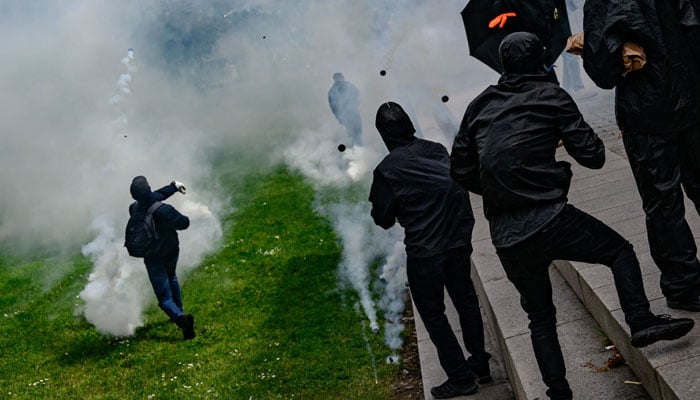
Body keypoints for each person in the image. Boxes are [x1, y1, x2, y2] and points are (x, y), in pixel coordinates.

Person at [450, 32, 694, 400]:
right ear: (539, 62)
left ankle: (558, 392)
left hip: (505, 232)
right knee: (619, 252)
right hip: (549, 217)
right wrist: (556, 141)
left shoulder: (479, 104)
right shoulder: (552, 96)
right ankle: (640, 320)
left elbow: (461, 169)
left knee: (540, 317)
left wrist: (507, 187)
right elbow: (594, 155)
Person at [581, 0, 700, 310]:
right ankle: (683, 284)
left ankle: (684, 284)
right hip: (690, 97)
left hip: (645, 110)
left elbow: (603, 71)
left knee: (663, 203)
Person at [369, 102, 491, 399]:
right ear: (410, 125)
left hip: (426, 251)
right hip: (458, 239)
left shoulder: (386, 170)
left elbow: (382, 219)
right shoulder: (435, 149)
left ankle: (461, 377)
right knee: (466, 300)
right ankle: (480, 364)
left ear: (383, 135)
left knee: (434, 314)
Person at [129, 176, 194, 340]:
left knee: (163, 297)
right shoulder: (165, 211)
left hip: (151, 256)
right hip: (171, 252)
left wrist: (173, 187)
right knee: (172, 276)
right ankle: (180, 315)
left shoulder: (133, 208)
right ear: (149, 188)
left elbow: (152, 198)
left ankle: (179, 317)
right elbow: (184, 223)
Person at [328, 72, 363, 146]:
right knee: (354, 133)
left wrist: (355, 104)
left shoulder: (348, 86)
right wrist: (339, 117)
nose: (340, 80)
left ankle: (358, 147)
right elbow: (333, 107)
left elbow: (357, 94)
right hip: (346, 115)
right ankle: (356, 149)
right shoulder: (333, 91)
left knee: (357, 132)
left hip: (353, 113)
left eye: (340, 78)